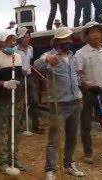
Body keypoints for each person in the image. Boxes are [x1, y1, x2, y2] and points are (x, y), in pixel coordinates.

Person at [34, 27, 85, 179]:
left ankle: (69, 164)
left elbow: (75, 74)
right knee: (54, 139)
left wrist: (79, 86)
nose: (68, 41)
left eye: (69, 38)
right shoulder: (49, 55)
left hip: (76, 102)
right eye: (65, 39)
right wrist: (46, 60)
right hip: (59, 104)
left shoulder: (72, 56)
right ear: (57, 41)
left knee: (72, 137)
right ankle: (50, 169)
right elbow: (37, 65)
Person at [0, 30, 26, 174]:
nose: (12, 42)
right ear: (2, 42)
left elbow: (19, 77)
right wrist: (4, 84)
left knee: (16, 130)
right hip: (2, 100)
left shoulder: (18, 57)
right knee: (2, 131)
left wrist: (21, 78)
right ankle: (3, 161)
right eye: (8, 40)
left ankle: (14, 159)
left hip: (17, 99)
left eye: (13, 39)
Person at [75, 21, 102, 164]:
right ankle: (88, 152)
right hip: (88, 93)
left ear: (101, 34)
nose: (95, 34)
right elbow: (79, 73)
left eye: (97, 31)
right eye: (91, 32)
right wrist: (87, 84)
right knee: (86, 123)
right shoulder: (81, 53)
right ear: (86, 36)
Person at [15, 27, 44, 134]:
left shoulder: (31, 49)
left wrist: (29, 70)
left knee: (35, 100)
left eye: (28, 37)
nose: (27, 39)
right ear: (20, 38)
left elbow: (30, 62)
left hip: (29, 76)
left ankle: (36, 125)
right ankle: (18, 124)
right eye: (25, 37)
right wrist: (20, 70)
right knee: (20, 102)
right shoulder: (15, 50)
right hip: (19, 77)